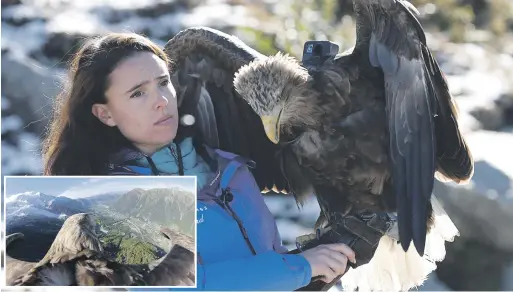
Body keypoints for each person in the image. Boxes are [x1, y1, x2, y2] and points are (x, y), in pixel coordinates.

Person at [41, 32, 357, 290]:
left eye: (163, 82)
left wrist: (324, 262)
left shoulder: (230, 170)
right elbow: (185, 284)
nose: (162, 101)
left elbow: (266, 264)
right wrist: (300, 267)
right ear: (105, 113)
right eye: (138, 94)